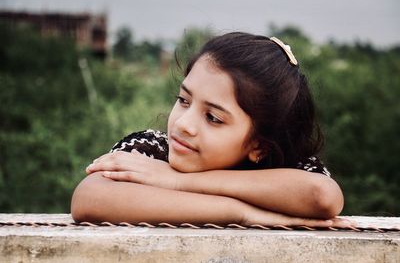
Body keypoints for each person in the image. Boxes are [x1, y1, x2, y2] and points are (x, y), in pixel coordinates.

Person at [71, 32, 351, 228]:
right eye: (184, 101)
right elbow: (90, 198)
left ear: (259, 146)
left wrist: (180, 182)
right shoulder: (152, 149)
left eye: (213, 118)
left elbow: (322, 196)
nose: (183, 124)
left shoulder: (283, 169)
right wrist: (242, 213)